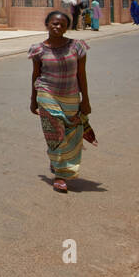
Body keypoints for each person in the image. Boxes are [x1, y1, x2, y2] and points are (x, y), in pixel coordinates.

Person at [28, 11, 94, 194]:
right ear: (47, 24)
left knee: (70, 134)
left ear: (67, 28)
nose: (57, 27)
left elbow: (82, 75)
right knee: (55, 133)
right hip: (46, 94)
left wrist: (85, 101)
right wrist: (33, 100)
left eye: (62, 25)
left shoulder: (77, 47)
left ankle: (57, 162)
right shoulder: (38, 50)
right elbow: (35, 75)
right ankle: (60, 175)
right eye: (54, 23)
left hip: (71, 96)